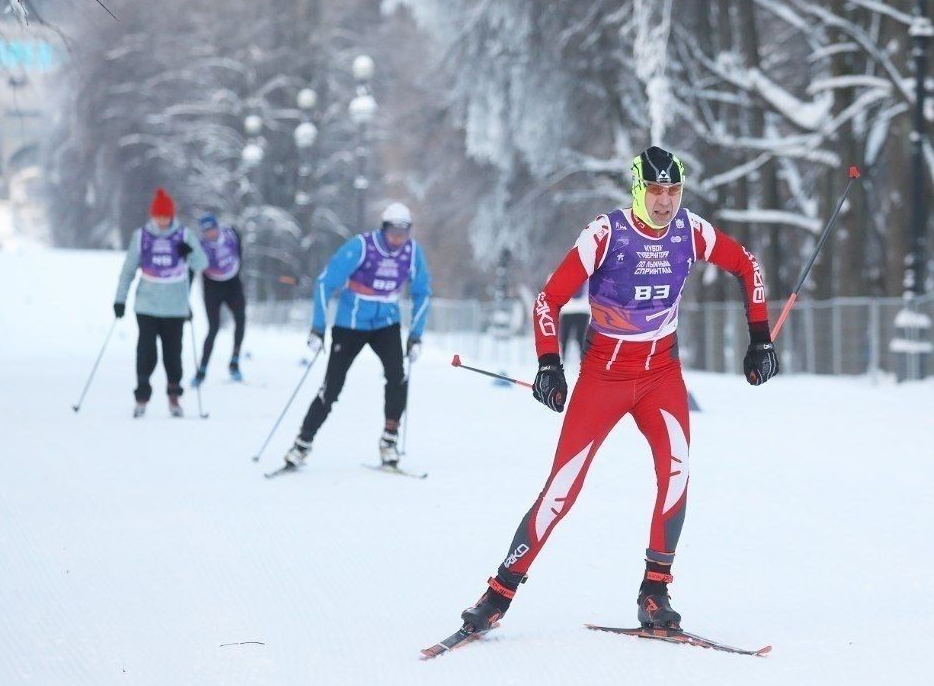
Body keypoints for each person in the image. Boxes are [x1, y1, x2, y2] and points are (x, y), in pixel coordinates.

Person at [456, 146, 780, 636]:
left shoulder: (691, 231)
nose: (665, 201)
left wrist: (760, 339)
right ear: (637, 188)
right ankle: (498, 594)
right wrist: (549, 365)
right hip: (604, 376)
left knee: (677, 473)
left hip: (660, 375)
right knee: (562, 490)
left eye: (673, 190)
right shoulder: (607, 233)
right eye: (655, 190)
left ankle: (655, 593)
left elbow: (747, 266)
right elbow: (550, 297)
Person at [279, 202, 431, 469]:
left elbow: (422, 292)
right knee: (332, 387)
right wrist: (318, 326)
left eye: (404, 232)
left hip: (386, 323)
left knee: (397, 378)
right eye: (393, 231)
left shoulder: (412, 252)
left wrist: (416, 335)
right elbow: (326, 282)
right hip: (350, 324)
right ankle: (302, 444)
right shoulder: (361, 247)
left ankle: (389, 441)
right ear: (383, 229)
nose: (398, 238)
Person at [113, 187, 208, 417]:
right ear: (152, 215)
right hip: (147, 305)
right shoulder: (141, 236)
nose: (162, 221)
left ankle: (174, 397)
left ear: (172, 215)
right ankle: (142, 396)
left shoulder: (184, 235)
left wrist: (190, 251)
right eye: (158, 216)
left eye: (166, 216)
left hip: (175, 307)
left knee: (172, 354)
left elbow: (201, 264)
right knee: (146, 352)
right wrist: (120, 299)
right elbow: (128, 270)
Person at [192, 213, 247, 385]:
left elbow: (239, 250)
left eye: (212, 229)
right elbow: (195, 265)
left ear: (217, 226)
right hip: (212, 286)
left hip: (232, 283)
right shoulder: (200, 246)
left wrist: (236, 268)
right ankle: (202, 369)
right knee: (213, 328)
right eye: (206, 231)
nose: (211, 233)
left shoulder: (230, 234)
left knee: (241, 319)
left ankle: (234, 361)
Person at [558, 288, 589, 364]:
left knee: (564, 337)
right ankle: (583, 359)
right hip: (583, 309)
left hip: (567, 309)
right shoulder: (588, 277)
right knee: (581, 337)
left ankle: (563, 359)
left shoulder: (559, 276)